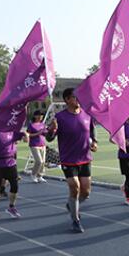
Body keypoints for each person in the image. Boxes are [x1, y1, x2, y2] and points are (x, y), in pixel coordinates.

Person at [46, 88, 98, 233]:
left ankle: (71, 205)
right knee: (74, 187)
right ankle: (76, 220)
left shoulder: (87, 115)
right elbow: (49, 138)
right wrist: (52, 129)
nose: (79, 100)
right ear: (67, 99)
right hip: (68, 159)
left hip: (85, 158)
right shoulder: (59, 118)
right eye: (76, 97)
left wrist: (94, 143)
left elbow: (92, 133)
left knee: (86, 192)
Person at [0, 128, 27, 219]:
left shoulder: (11, 130)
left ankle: (11, 207)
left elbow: (24, 138)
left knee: (15, 186)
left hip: (11, 162)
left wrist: (25, 134)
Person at [27, 110, 48, 183]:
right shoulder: (31, 125)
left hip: (43, 144)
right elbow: (28, 134)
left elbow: (45, 134)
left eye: (42, 115)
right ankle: (33, 174)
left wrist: (47, 132)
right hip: (34, 145)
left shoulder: (42, 124)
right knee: (39, 161)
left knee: (43, 162)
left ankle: (40, 176)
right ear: (35, 116)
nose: (40, 117)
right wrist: (38, 133)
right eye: (39, 115)